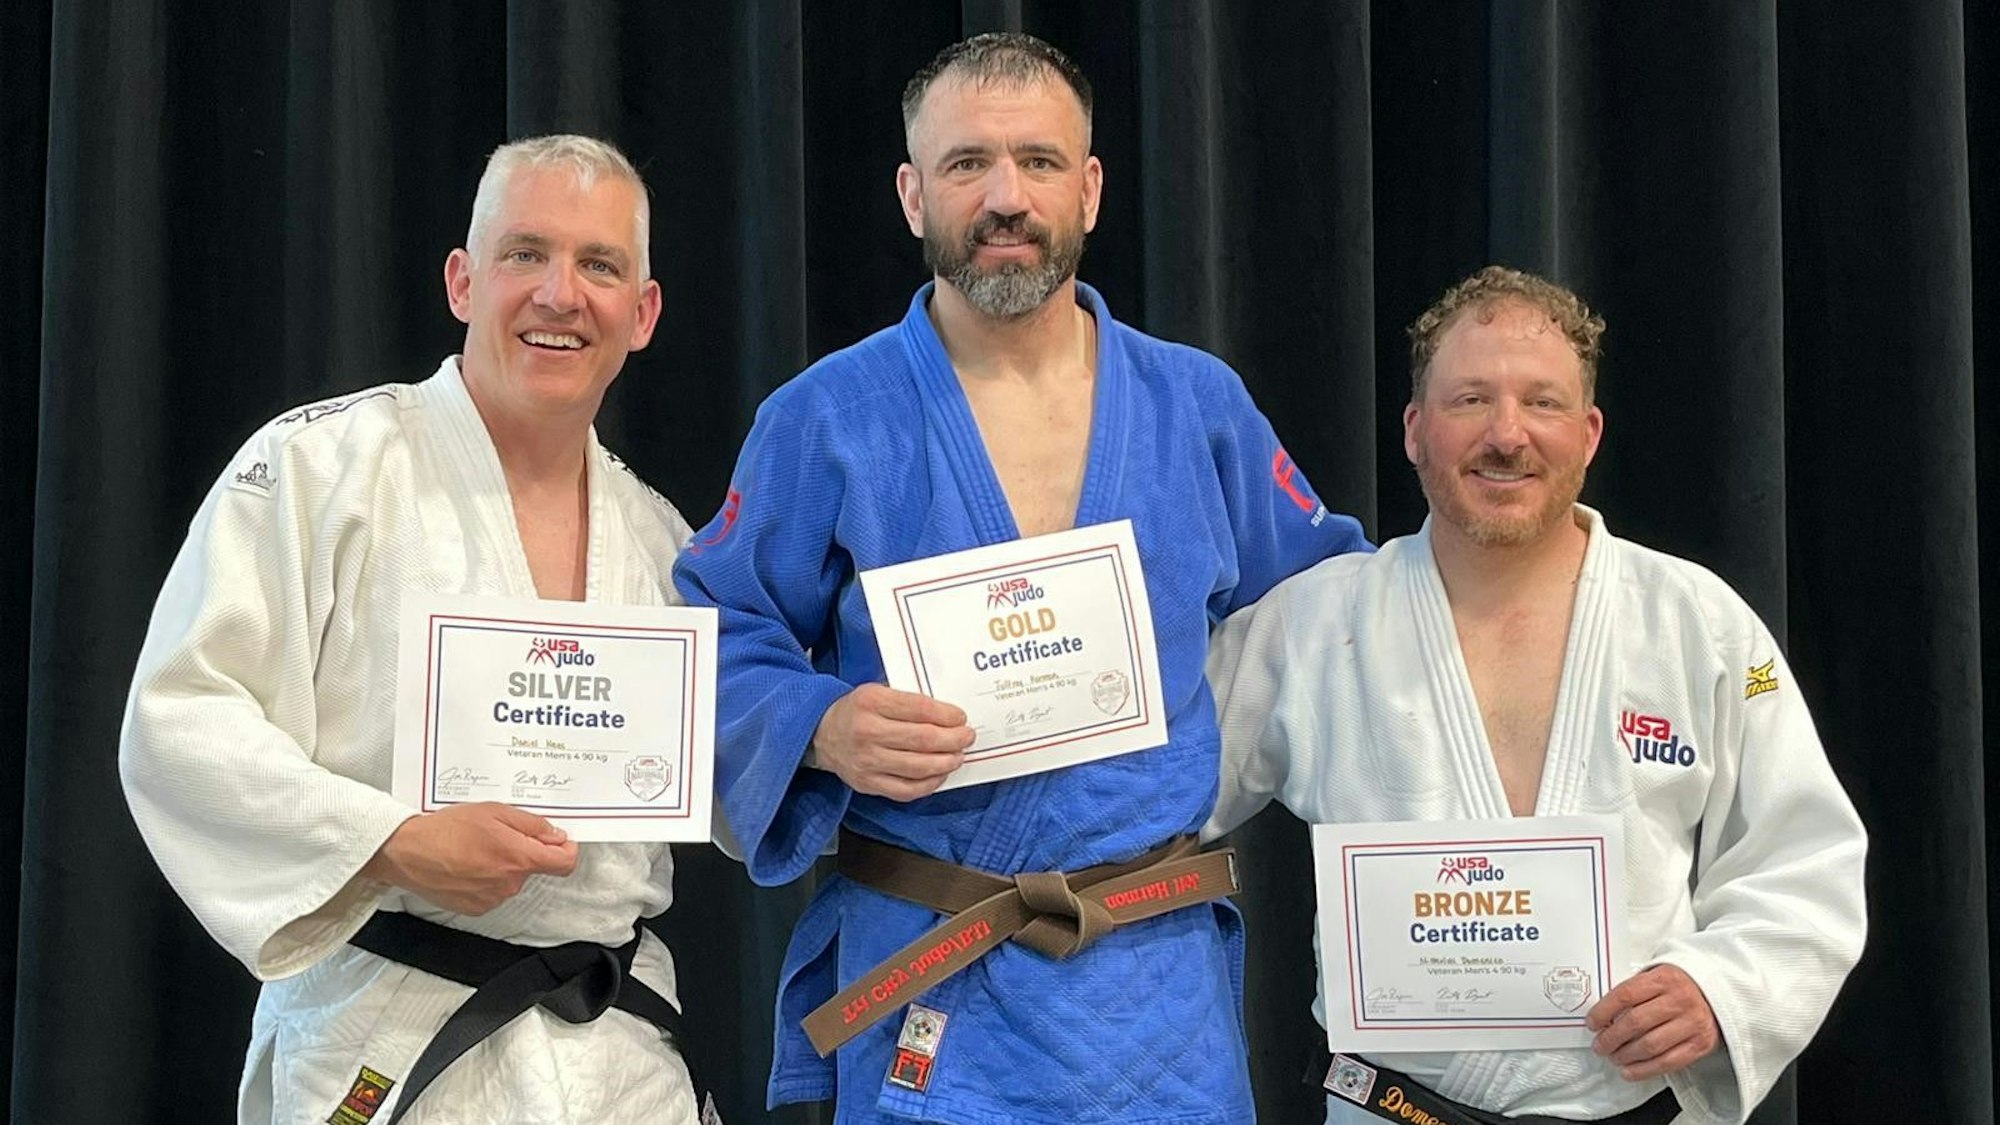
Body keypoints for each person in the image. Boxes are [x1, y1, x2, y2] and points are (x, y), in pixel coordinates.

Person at [673, 31, 1369, 1125]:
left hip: (1150, 984)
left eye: (1039, 162)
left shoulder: (1197, 406)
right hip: (933, 968)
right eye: (965, 165)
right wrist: (818, 722)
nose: (1005, 196)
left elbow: (1337, 611)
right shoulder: (822, 419)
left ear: (1088, 189)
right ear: (911, 195)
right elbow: (714, 628)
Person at [120, 135, 705, 1125]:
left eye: (599, 265)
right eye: (525, 253)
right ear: (462, 281)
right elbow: (182, 723)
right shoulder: (318, 470)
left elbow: (734, 772)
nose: (561, 294)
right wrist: (388, 840)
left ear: (640, 313)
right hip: (384, 1043)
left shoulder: (663, 542)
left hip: (618, 1060)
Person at [1204, 266, 1867, 1125]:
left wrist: (1721, 989)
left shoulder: (1696, 621)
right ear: (1414, 429)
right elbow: (1155, 783)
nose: (1507, 434)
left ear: (1589, 433)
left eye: (1542, 403)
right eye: (1470, 400)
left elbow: (1804, 855)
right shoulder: (1314, 623)